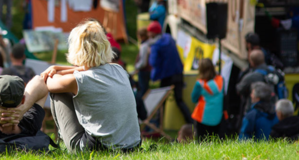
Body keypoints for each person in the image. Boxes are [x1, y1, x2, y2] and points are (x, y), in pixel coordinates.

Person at [41, 19, 141, 152]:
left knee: (58, 90)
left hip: (100, 148)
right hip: (132, 145)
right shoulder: (118, 69)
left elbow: (48, 82)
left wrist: (55, 71)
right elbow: (87, 68)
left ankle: (64, 142)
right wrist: (58, 67)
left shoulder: (79, 80)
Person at [148, 21, 192, 124]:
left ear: (154, 33)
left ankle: (158, 125)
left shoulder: (155, 45)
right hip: (178, 72)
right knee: (179, 100)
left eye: (150, 32)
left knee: (161, 101)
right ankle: (190, 123)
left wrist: (150, 53)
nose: (148, 34)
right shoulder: (169, 38)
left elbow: (153, 62)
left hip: (166, 76)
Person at [191, 58, 224, 141]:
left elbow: (193, 99)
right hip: (217, 117)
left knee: (202, 142)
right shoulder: (221, 80)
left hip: (202, 117)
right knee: (214, 141)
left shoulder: (200, 84)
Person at [236, 50, 269, 114]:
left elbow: (239, 88)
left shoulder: (250, 77)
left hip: (254, 110)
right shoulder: (272, 71)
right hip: (271, 109)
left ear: (252, 62)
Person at [132, 28, 152, 99]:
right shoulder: (149, 43)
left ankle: (142, 106)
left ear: (142, 36)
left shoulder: (144, 46)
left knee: (143, 90)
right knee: (145, 88)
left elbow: (143, 62)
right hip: (148, 70)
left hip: (144, 71)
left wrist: (136, 67)